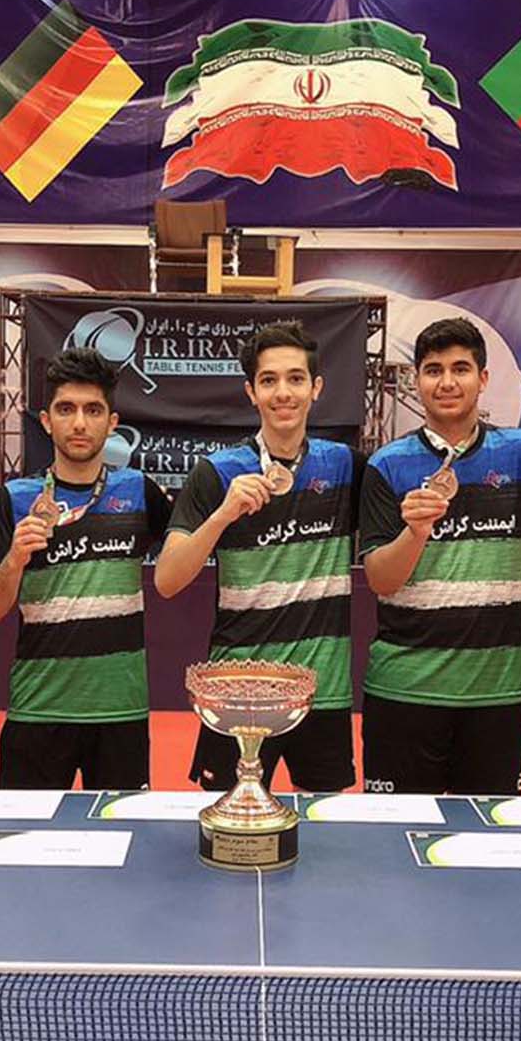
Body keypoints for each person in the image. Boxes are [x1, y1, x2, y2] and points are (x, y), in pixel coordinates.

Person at [359, 316, 521, 795]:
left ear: (483, 379)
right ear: (416, 380)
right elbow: (380, 579)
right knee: (394, 835)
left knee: (486, 835)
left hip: (497, 692)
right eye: (433, 370)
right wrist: (416, 532)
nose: (446, 382)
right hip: (405, 688)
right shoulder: (387, 465)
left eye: (460, 369)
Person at [156, 319, 362, 793]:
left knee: (328, 825)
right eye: (269, 380)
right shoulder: (216, 473)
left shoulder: (346, 466)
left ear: (316, 388)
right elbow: (167, 580)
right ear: (251, 392)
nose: (282, 393)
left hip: (322, 692)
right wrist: (222, 516)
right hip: (236, 693)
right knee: (228, 822)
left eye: (295, 378)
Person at [0, 347, 172, 789]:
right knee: (26, 834)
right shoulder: (15, 498)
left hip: (120, 712)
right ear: (46, 421)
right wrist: (15, 559)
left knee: (123, 832)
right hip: (37, 711)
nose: (79, 423)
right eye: (66, 409)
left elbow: (181, 562)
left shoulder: (140, 491)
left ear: (112, 422)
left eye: (92, 410)